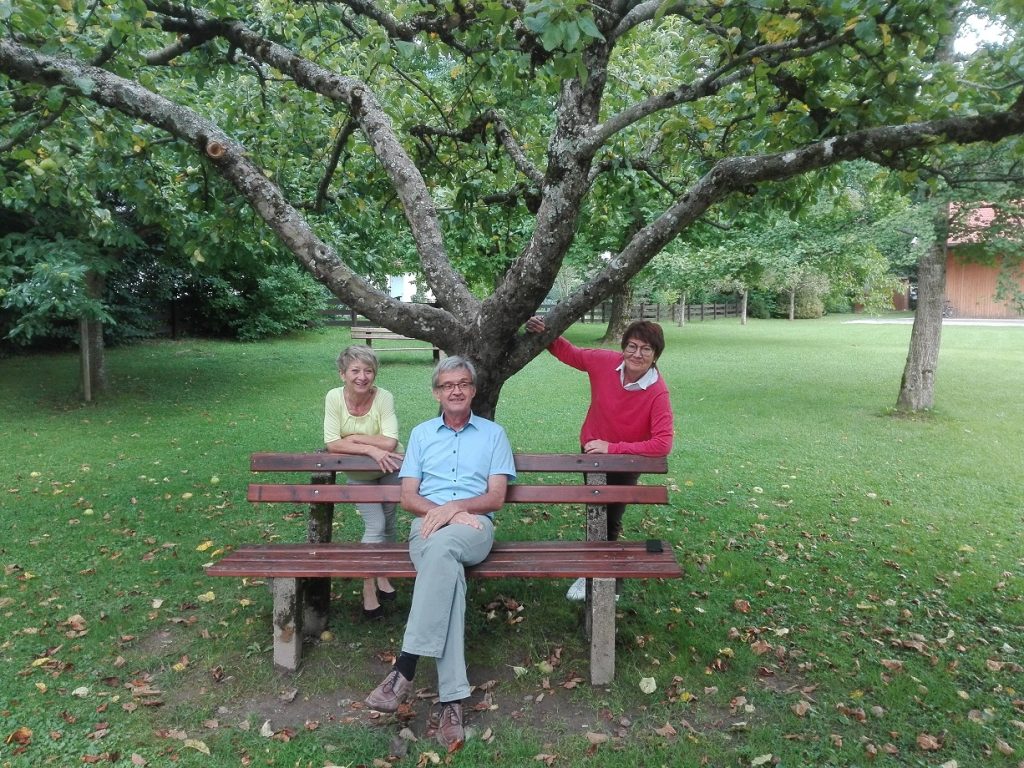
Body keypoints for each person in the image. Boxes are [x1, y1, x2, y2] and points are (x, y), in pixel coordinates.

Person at [364, 356, 516, 753]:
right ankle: (452, 702)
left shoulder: (494, 434)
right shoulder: (421, 434)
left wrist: (455, 509)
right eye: (447, 385)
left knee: (445, 548)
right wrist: (441, 512)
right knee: (445, 569)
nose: (455, 390)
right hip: (427, 527)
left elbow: (496, 497)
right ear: (437, 392)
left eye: (463, 383)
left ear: (473, 390)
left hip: (474, 527)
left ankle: (405, 666)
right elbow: (408, 497)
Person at [525, 316, 674, 600]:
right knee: (596, 512)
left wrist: (614, 448)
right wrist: (546, 332)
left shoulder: (657, 391)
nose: (637, 354)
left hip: (627, 458)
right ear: (624, 347)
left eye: (646, 349)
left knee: (612, 517)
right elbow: (572, 354)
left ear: (656, 355)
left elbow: (662, 444)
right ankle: (591, 571)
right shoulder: (605, 362)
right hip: (593, 451)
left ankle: (606, 578)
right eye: (632, 346)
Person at [324, 345, 404, 619]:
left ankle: (383, 575)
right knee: (376, 524)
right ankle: (368, 586)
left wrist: (354, 440)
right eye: (355, 370)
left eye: (368, 370)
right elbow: (332, 443)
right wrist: (370, 449)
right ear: (342, 374)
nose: (362, 376)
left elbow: (391, 442)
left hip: (391, 468)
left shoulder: (384, 398)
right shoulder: (334, 398)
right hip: (360, 476)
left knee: (391, 522)